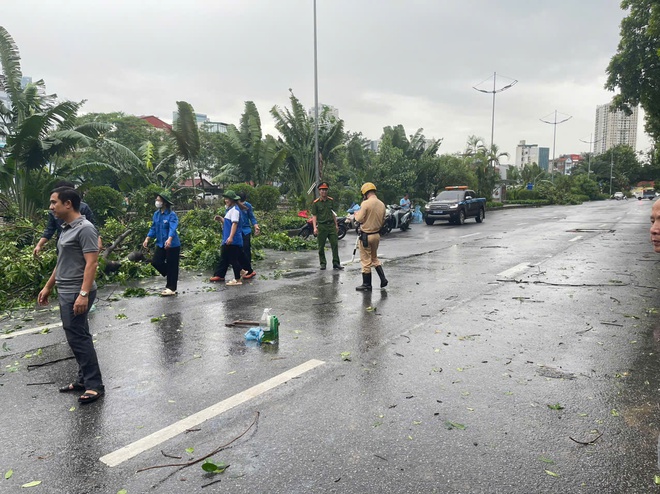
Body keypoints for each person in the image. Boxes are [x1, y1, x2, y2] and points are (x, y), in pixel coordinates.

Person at [37, 187, 105, 404]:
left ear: (68, 204)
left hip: (77, 290)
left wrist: (83, 294)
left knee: (77, 337)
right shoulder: (66, 228)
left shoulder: (85, 228)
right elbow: (61, 262)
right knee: (78, 335)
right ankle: (83, 379)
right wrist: (48, 286)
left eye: (54, 202)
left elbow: (91, 262)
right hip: (65, 290)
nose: (51, 207)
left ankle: (95, 385)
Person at [33, 180, 102, 256]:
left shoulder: (83, 211)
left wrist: (98, 240)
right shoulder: (54, 213)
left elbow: (93, 226)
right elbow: (49, 230)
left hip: (80, 248)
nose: (51, 207)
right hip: (62, 247)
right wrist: (39, 245)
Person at [142, 192, 180, 296]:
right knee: (156, 262)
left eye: (158, 200)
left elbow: (173, 227)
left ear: (164, 203)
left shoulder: (171, 215)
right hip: (160, 243)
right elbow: (154, 227)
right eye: (157, 200)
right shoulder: (156, 214)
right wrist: (147, 238)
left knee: (172, 265)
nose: (157, 202)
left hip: (172, 244)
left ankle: (171, 288)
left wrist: (169, 239)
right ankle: (171, 274)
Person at [354, 182, 387, 291]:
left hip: (366, 236)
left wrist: (356, 215)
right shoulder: (382, 204)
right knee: (374, 258)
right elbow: (383, 220)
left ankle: (367, 284)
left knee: (366, 261)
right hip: (376, 235)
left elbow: (359, 219)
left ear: (364, 193)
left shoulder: (365, 204)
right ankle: (383, 279)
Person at [211, 190, 246, 286]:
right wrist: (221, 219)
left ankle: (238, 279)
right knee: (230, 258)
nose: (225, 200)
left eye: (227, 199)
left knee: (233, 259)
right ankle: (241, 272)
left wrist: (230, 237)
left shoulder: (234, 210)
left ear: (232, 200)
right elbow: (229, 224)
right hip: (229, 238)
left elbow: (234, 224)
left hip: (233, 240)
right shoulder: (230, 210)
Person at [310, 181, 343, 270]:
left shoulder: (331, 201)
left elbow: (333, 214)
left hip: (331, 226)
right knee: (321, 246)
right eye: (322, 190)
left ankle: (336, 263)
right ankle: (323, 263)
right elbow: (314, 216)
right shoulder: (316, 203)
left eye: (325, 190)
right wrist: (314, 228)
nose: (323, 192)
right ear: (319, 191)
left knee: (335, 244)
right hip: (322, 226)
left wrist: (336, 225)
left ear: (327, 191)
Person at [237, 191, 260, 279]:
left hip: (246, 230)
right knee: (238, 250)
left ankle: (247, 268)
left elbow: (252, 217)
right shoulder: (234, 206)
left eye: (243, 202)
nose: (241, 204)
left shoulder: (248, 206)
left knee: (246, 249)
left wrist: (256, 226)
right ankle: (240, 269)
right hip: (237, 230)